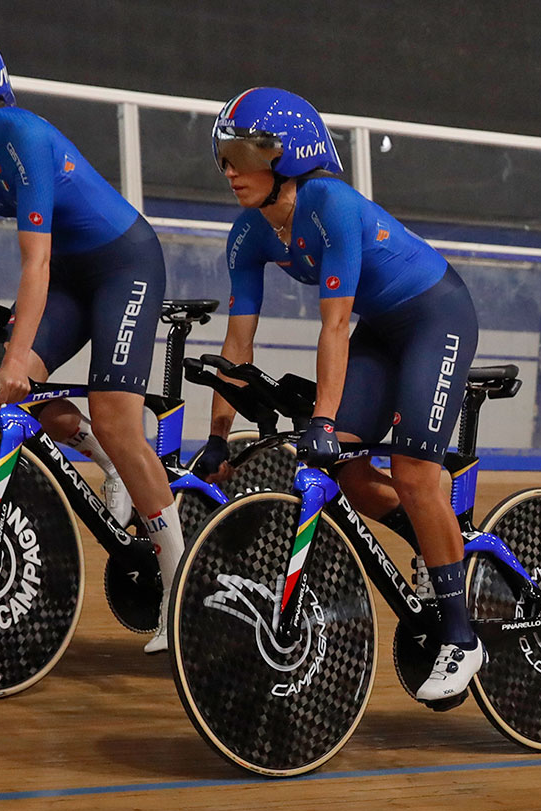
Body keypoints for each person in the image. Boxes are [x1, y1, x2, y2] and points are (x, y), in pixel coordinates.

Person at [0, 24, 180, 653]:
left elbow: (35, 266)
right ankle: (108, 469)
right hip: (72, 278)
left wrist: (19, 355)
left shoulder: (23, 137)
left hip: (123, 264)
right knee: (19, 397)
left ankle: (177, 584)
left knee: (114, 415)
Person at [208, 87, 484, 701]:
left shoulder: (329, 201)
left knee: (413, 474)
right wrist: (217, 437)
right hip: (384, 330)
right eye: (221, 156)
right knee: (352, 478)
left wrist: (324, 418)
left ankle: (462, 638)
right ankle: (441, 549)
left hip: (436, 315)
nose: (227, 170)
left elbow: (333, 325)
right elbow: (236, 343)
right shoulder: (247, 234)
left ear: (286, 156)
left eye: (239, 155)